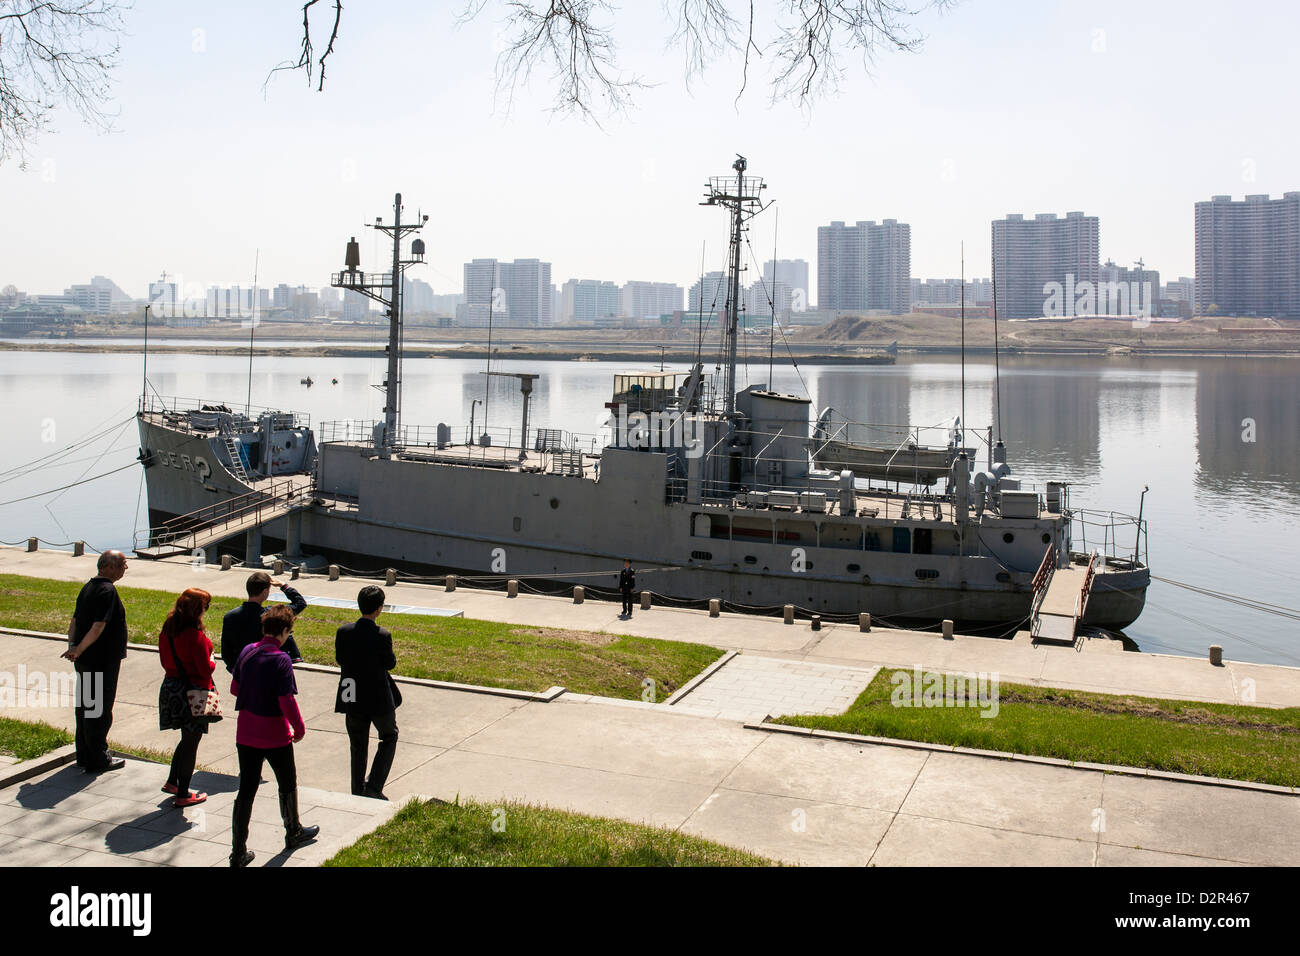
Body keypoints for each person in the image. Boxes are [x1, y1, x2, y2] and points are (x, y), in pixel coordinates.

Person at [228, 605, 319, 868]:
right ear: (283, 631)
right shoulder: (282, 660)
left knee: (246, 791)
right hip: (274, 734)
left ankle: (238, 851)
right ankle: (293, 831)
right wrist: (299, 728)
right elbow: (286, 700)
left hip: (245, 732)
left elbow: (235, 689)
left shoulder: (247, 651)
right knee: (287, 783)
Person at [62, 550, 129, 774]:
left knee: (85, 707)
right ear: (108, 567)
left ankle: (85, 754)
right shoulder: (107, 590)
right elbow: (98, 626)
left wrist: (73, 647)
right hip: (101, 660)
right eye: (122, 564)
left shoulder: (88, 587)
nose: (125, 568)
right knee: (98, 710)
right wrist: (78, 648)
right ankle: (99, 758)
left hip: (85, 660)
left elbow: (74, 621)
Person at [334, 586, 401, 800]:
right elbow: (389, 664)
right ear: (379, 608)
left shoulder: (343, 632)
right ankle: (374, 785)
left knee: (357, 743)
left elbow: (340, 660)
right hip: (377, 696)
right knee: (389, 736)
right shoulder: (382, 635)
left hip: (351, 692)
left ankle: (357, 788)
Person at [157, 587, 219, 808]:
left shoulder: (168, 630)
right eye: (205, 607)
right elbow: (205, 669)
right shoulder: (196, 637)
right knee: (191, 742)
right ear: (197, 610)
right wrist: (212, 658)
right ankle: (183, 792)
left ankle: (173, 781)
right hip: (194, 692)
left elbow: (165, 660)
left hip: (171, 687)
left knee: (185, 739)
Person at [221, 571, 307, 670]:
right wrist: (283, 585)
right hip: (267, 668)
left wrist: (237, 671)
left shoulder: (229, 616)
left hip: (242, 671)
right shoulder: (272, 615)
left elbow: (226, 652)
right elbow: (300, 603)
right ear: (265, 592)